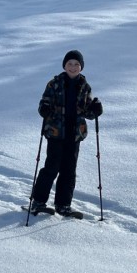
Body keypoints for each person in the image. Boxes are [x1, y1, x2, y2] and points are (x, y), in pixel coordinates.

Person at [31, 50, 103, 216]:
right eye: (70, 64)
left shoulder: (85, 86)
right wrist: (45, 109)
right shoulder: (54, 83)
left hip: (74, 134)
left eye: (76, 64)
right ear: (64, 65)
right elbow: (44, 103)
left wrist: (96, 109)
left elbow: (88, 112)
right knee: (51, 167)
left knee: (69, 170)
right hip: (56, 132)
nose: (73, 67)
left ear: (81, 67)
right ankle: (38, 201)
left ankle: (63, 205)